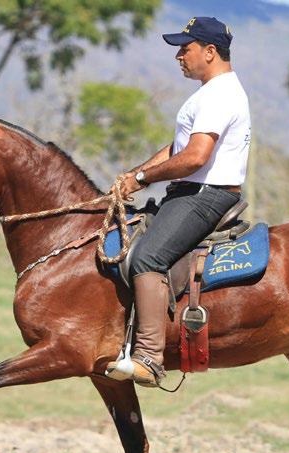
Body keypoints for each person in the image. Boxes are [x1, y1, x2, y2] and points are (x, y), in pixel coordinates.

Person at [106, 16, 251, 387]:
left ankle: (150, 358)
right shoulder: (208, 93)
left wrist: (141, 178)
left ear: (209, 51)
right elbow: (177, 148)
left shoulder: (221, 94)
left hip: (203, 195)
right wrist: (134, 177)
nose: (179, 57)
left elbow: (194, 157)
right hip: (190, 192)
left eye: (184, 49)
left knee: (147, 258)